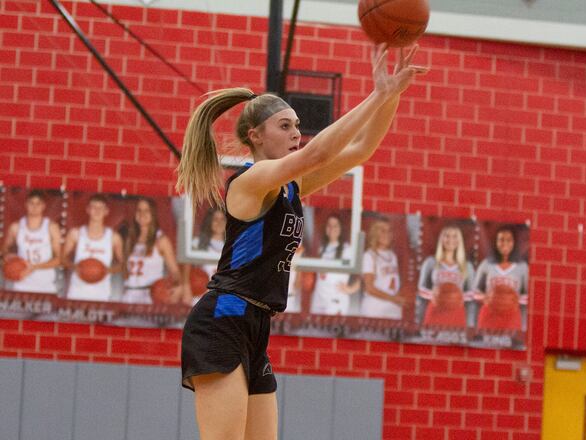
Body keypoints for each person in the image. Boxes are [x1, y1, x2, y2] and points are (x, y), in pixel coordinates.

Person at [176, 44, 425, 440]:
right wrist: (376, 94)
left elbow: (362, 149)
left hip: (256, 324)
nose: (296, 134)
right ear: (255, 136)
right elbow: (318, 152)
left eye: (297, 126)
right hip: (222, 319)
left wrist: (392, 94)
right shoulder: (249, 180)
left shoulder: (291, 186)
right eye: (285, 126)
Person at [63, 194, 124, 301]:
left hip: (101, 294)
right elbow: (62, 259)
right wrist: (75, 267)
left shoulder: (114, 237)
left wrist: (107, 270)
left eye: (101, 208)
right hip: (76, 292)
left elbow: (122, 265)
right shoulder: (75, 233)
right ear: (88, 210)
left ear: (106, 211)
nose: (97, 211)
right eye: (94, 207)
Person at [121, 197, 182, 304]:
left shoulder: (161, 240)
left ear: (153, 214)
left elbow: (175, 271)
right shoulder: (130, 239)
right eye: (139, 210)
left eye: (146, 210)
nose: (142, 214)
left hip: (150, 296)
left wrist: (177, 287)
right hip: (128, 294)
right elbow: (125, 269)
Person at [1, 190, 60, 294]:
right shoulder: (16, 227)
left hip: (45, 286)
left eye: (38, 203)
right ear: (26, 205)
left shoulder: (51, 227)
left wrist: (34, 267)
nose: (34, 206)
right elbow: (4, 250)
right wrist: (7, 255)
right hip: (20, 284)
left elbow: (58, 259)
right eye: (31, 203)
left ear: (44, 206)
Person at [417, 225, 475, 327]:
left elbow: (471, 294)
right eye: (447, 236)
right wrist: (435, 295)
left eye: (454, 236)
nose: (450, 239)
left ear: (459, 241)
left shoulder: (467, 266)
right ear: (441, 239)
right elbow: (421, 289)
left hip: (456, 312)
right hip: (435, 310)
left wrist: (458, 297)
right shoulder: (431, 262)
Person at [472, 226, 528, 332]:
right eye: (501, 239)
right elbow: (474, 292)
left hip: (511, 318)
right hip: (489, 315)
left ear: (514, 243)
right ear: (496, 242)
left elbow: (529, 296)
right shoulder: (486, 264)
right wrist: (486, 298)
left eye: (508, 240)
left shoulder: (522, 267)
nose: (505, 243)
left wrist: (514, 300)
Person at [309, 214, 359, 316]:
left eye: (335, 225)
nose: (332, 228)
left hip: (335, 301)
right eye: (329, 225)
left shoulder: (347, 249)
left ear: (340, 229)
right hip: (319, 299)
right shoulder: (321, 248)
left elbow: (359, 276)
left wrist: (351, 289)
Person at [358, 218, 406, 320]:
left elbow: (393, 285)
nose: (387, 234)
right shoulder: (369, 256)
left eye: (389, 231)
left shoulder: (392, 255)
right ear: (375, 233)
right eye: (382, 231)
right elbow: (369, 288)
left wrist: (399, 298)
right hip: (375, 308)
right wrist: (394, 299)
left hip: (393, 308)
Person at [183, 208, 226, 305]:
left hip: (223, 297)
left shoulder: (231, 245)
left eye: (222, 219)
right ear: (209, 221)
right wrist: (186, 286)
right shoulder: (198, 243)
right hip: (200, 296)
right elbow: (186, 264)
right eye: (215, 219)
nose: (219, 223)